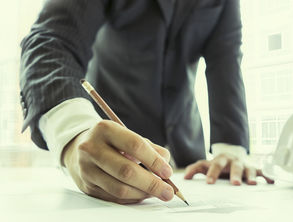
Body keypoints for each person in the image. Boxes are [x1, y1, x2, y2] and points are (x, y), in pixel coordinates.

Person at [19, 0, 273, 204]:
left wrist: (230, 150)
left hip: (189, 159)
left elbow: (226, 59)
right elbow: (51, 40)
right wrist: (75, 131)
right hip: (108, 153)